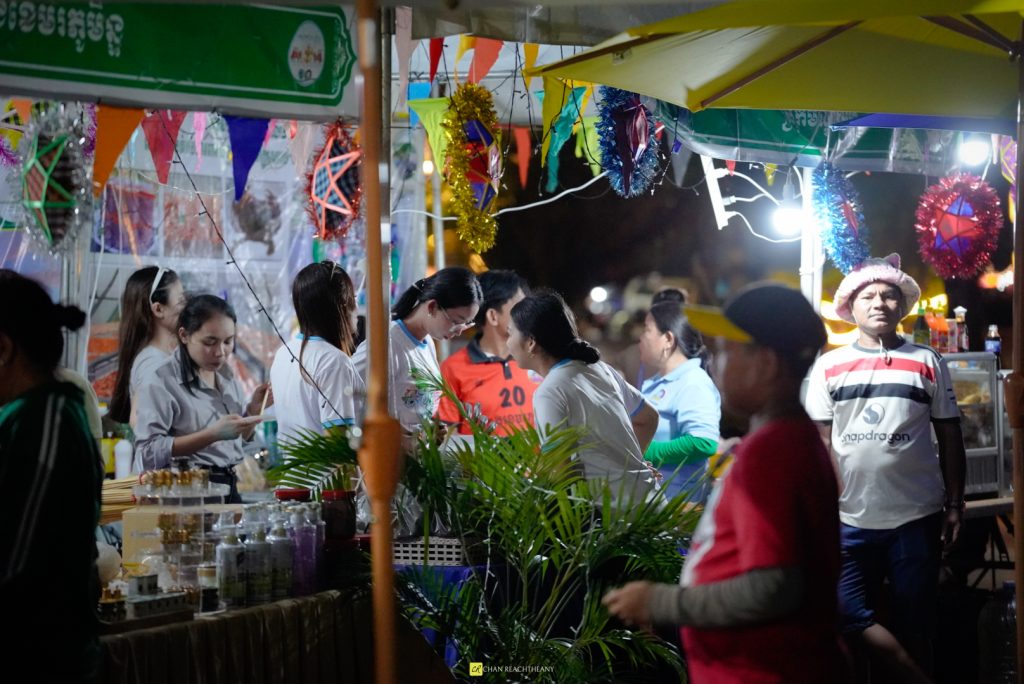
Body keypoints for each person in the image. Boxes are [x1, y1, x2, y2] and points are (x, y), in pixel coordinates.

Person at [603, 283, 847, 683]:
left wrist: (660, 601)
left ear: (765, 363)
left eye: (726, 351)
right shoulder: (787, 439)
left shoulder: (771, 452)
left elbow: (773, 587)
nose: (714, 363)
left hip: (760, 670)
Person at [804, 253, 965, 683]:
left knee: (917, 624)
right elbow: (820, 443)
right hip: (847, 519)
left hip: (915, 517)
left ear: (902, 305)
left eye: (889, 295)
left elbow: (950, 435)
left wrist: (955, 504)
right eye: (868, 296)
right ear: (850, 307)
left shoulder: (928, 360)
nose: (879, 303)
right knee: (846, 618)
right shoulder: (828, 366)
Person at [0, 270, 103, 681]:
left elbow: (15, 556)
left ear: (4, 349)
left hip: (37, 654)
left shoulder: (47, 418)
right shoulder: (24, 415)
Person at [506, 289, 659, 507]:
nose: (508, 343)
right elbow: (649, 418)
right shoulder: (600, 369)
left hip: (613, 516)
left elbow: (562, 474)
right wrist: (629, 466)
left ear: (531, 342)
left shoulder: (549, 391)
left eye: (510, 333)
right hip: (651, 505)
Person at [134, 294, 270, 503]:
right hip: (189, 492)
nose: (220, 352)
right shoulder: (161, 381)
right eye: (210, 342)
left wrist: (253, 410)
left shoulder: (227, 376)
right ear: (184, 335)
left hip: (229, 486)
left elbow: (235, 441)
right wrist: (212, 434)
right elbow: (148, 451)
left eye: (228, 341)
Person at [352, 266, 482, 441]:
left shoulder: (427, 342)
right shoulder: (387, 345)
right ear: (432, 307)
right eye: (456, 322)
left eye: (466, 324)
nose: (459, 331)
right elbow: (347, 403)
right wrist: (402, 438)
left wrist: (429, 430)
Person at [437, 269, 540, 436]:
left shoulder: (539, 357)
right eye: (519, 307)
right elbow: (446, 437)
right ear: (493, 316)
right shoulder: (453, 369)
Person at [271, 261, 364, 443]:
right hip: (328, 463)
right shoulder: (334, 361)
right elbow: (338, 443)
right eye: (353, 298)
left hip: (291, 461)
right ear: (342, 305)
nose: (357, 308)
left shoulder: (283, 352)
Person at [638, 301, 721, 501]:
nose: (641, 337)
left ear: (668, 339)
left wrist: (647, 450)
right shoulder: (656, 382)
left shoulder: (693, 382)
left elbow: (704, 442)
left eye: (647, 329)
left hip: (675, 505)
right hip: (648, 501)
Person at [108, 266, 186, 425]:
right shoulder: (153, 364)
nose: (187, 307)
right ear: (158, 309)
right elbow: (141, 426)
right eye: (181, 301)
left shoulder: (164, 356)